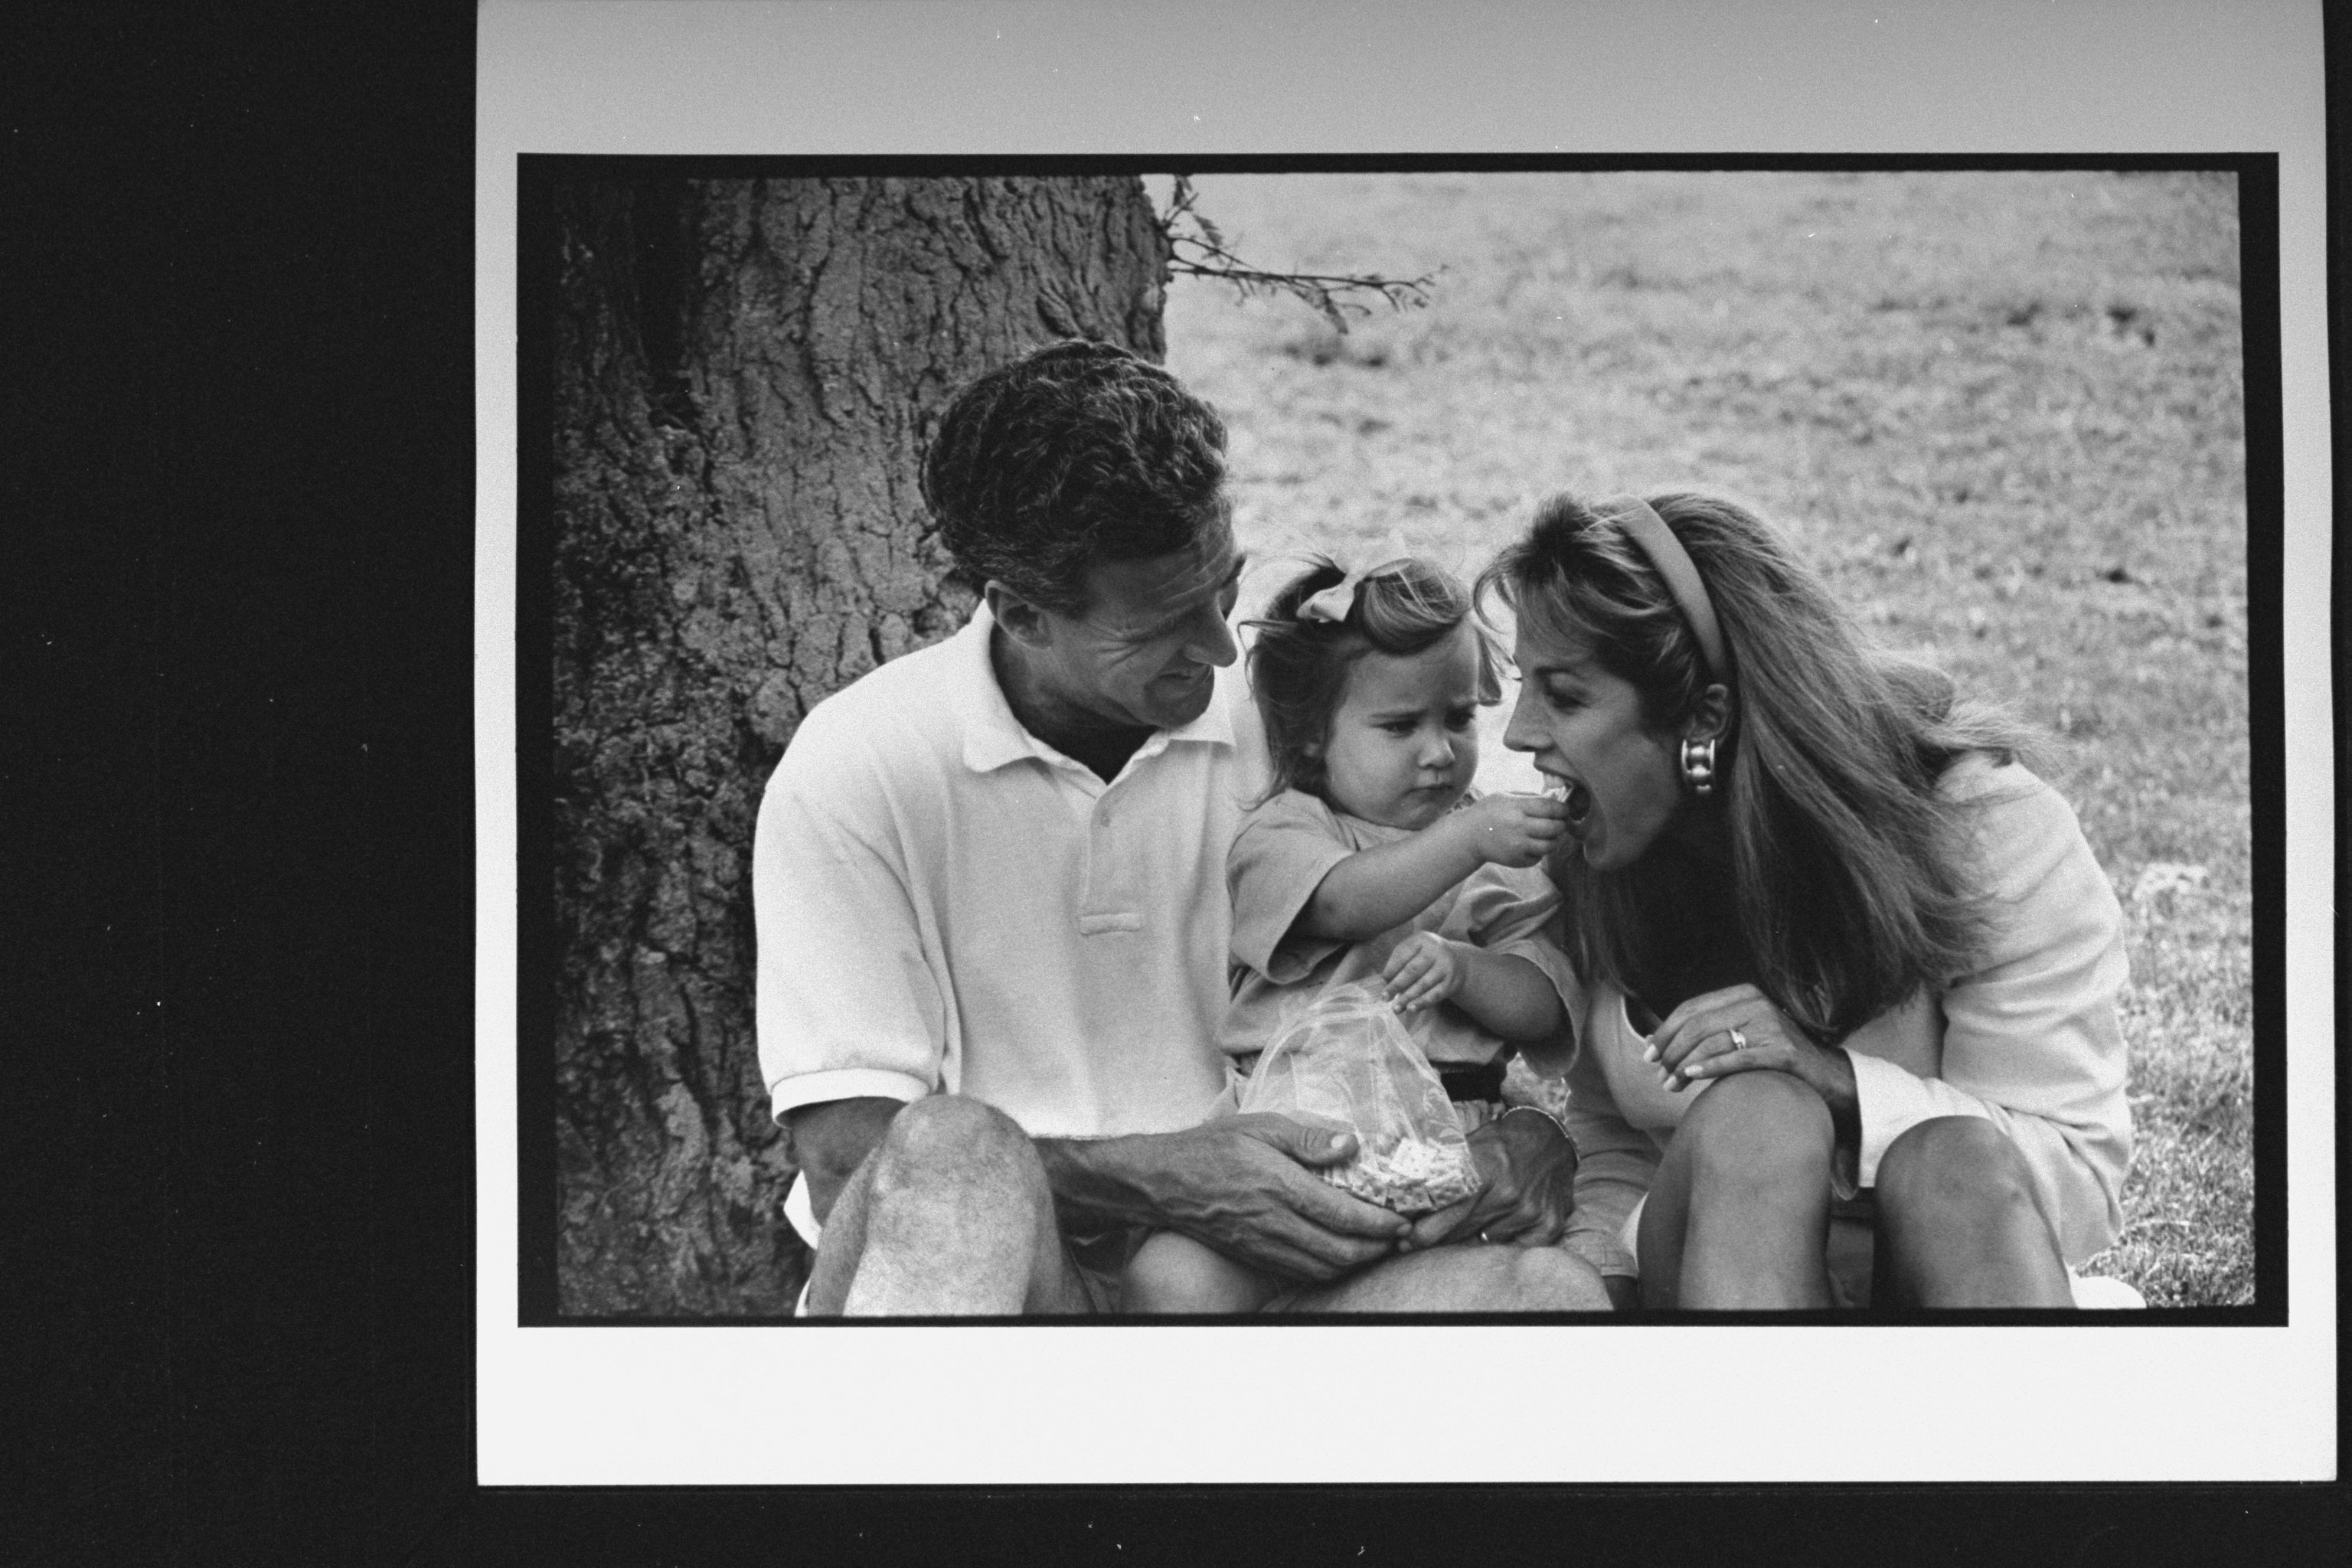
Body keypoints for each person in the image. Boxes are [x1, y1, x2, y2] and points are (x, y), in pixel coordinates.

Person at [754, 340, 1608, 1314]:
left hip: (1266, 1283)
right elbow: (848, 1161)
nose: (1215, 646)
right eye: (1160, 623)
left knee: (1545, 1293)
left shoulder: (1306, 724)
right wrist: (1159, 1173)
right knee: (951, 1148)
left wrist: (1529, 1138)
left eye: (1224, 587)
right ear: (1023, 612)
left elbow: (1481, 940)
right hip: (1003, 1286)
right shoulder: (861, 764)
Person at [1481, 489, 2132, 1310]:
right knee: (1754, 1116)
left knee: (1950, 1154)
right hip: (1717, 1283)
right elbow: (1618, 1142)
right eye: (1524, 687)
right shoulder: (1592, 849)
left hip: (1954, 1275)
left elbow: (2078, 1181)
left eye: (1566, 696)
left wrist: (1837, 1081)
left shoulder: (1986, 827)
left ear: (1704, 716)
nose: (1518, 734)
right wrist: (1585, 1298)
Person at [1119, 554, 1584, 1312]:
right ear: (1309, 739)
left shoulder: (1494, 852)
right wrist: (1466, 840)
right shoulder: (1290, 829)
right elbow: (1340, 903)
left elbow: (1541, 1006)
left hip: (1446, 1147)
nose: (1438, 751)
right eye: (1401, 725)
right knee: (1169, 1277)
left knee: (1537, 1292)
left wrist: (1466, 968)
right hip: (1291, 1143)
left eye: (1460, 716)